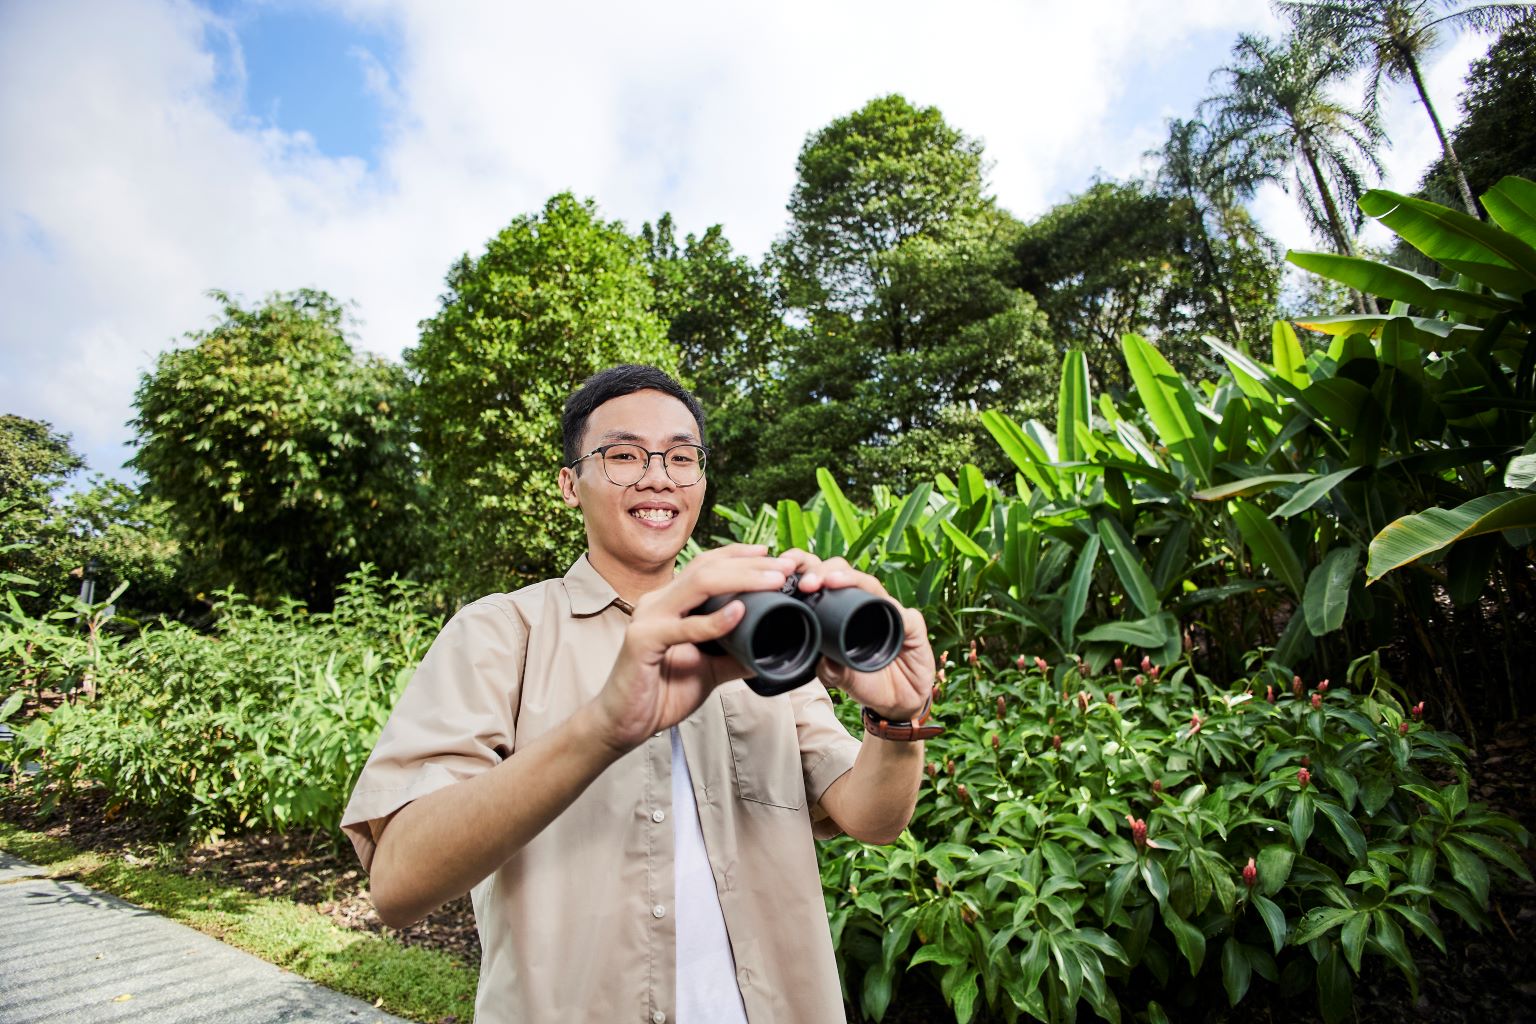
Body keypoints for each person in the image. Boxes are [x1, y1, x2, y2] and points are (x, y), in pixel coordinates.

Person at [341, 364, 940, 1023]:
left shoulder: (768, 631)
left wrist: (895, 717)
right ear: (570, 484)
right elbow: (397, 884)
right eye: (624, 455)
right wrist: (602, 727)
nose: (658, 476)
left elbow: (871, 818)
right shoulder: (501, 633)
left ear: (702, 481)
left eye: (682, 458)